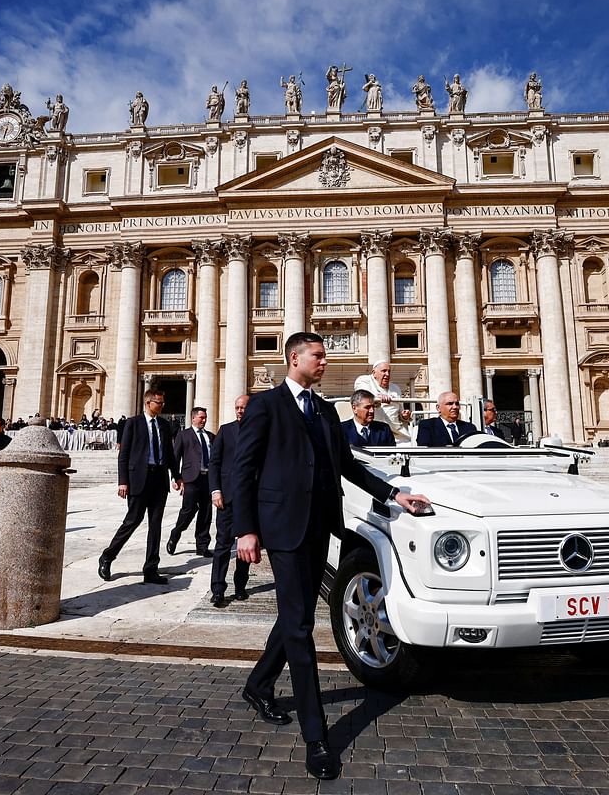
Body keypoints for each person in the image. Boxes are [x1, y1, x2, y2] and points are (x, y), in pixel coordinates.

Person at [233, 332, 431, 780]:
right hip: (282, 529)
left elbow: (347, 466)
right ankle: (316, 736)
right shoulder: (266, 406)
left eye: (324, 356)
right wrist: (246, 530)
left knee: (294, 616)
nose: (325, 361)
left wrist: (395, 495)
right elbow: (242, 468)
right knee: (302, 627)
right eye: (318, 355)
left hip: (319, 527)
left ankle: (258, 684)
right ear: (294, 358)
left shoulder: (325, 411)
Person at [99, 391, 181, 584]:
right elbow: (124, 454)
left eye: (162, 403)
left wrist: (177, 476)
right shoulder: (133, 423)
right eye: (158, 403)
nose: (161, 406)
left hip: (159, 480)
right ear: (147, 402)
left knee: (155, 526)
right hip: (138, 480)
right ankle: (107, 556)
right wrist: (123, 481)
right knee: (132, 521)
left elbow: (169, 454)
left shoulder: (164, 425)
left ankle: (151, 568)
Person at [208, 394, 251, 608]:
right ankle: (217, 589)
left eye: (243, 407)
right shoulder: (225, 431)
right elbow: (214, 463)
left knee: (245, 545)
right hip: (227, 498)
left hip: (251, 500)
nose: (240, 410)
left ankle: (240, 586)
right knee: (223, 545)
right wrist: (215, 490)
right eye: (237, 407)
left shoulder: (261, 432)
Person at [168, 406, 216, 557]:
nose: (204, 420)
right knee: (188, 510)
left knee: (206, 512)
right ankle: (175, 534)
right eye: (201, 417)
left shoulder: (210, 436)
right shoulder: (184, 435)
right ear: (193, 418)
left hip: (208, 479)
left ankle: (202, 545)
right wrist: (176, 478)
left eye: (205, 417)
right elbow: (175, 458)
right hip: (191, 479)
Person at [353, 360, 409, 428]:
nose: (387, 374)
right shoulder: (363, 380)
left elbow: (400, 412)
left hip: (396, 430)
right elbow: (364, 396)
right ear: (374, 373)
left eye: (389, 371)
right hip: (373, 427)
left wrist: (404, 416)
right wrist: (377, 397)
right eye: (384, 371)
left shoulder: (396, 388)